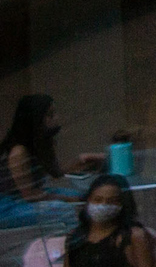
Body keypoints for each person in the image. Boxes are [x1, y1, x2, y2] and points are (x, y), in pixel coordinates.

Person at [0, 95, 95, 229]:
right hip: (8, 206)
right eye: (50, 114)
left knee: (86, 195)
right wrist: (71, 200)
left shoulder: (40, 143)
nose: (56, 118)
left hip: (32, 195)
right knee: (65, 209)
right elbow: (30, 195)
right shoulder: (19, 152)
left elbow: (56, 172)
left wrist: (81, 161)